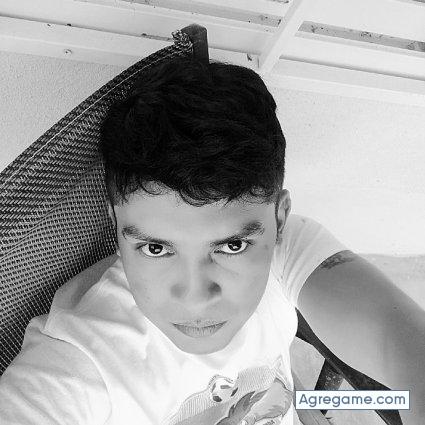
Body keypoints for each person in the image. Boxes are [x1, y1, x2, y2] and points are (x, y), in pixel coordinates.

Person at [0, 57, 424, 425]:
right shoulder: (78, 361)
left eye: (231, 247)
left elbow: (403, 344)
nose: (195, 299)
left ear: (278, 220)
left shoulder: (281, 248)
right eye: (155, 248)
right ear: (116, 224)